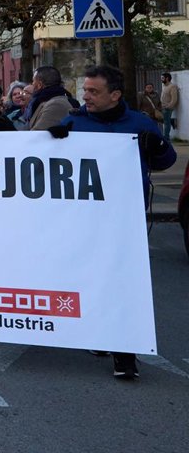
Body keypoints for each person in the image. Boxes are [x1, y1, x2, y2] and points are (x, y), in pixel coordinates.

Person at [50, 65, 176, 380]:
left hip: (125, 219)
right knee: (92, 280)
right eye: (85, 90)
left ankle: (124, 353)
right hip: (85, 220)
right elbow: (40, 160)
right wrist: (51, 141)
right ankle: (99, 333)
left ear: (115, 95)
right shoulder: (74, 122)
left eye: (93, 91)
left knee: (124, 283)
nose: (85, 96)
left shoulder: (139, 123)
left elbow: (167, 160)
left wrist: (157, 147)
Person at [26, 66, 75, 131]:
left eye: (33, 81)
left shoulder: (56, 104)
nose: (32, 84)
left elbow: (38, 133)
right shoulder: (45, 101)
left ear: (39, 85)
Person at [160, 72, 179, 141]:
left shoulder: (172, 86)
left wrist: (168, 106)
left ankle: (166, 138)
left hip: (167, 108)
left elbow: (174, 99)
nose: (161, 79)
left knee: (166, 123)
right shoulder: (164, 85)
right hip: (162, 107)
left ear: (167, 78)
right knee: (162, 120)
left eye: (162, 78)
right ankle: (172, 121)